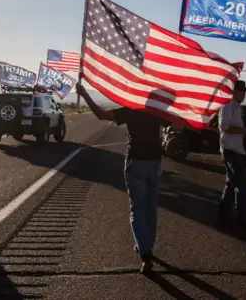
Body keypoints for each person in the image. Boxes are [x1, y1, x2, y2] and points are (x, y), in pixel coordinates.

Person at [75, 83, 181, 274]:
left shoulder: (131, 110)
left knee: (137, 209)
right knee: (150, 206)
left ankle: (145, 252)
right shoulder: (157, 113)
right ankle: (145, 245)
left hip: (136, 163)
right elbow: (179, 125)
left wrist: (84, 95)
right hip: (155, 163)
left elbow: (101, 114)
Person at [216, 80, 246, 230]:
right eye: (242, 91)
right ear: (234, 92)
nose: (244, 94)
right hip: (230, 150)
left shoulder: (237, 107)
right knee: (242, 185)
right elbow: (224, 127)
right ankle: (241, 220)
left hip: (235, 150)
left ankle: (223, 216)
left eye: (245, 92)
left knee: (231, 184)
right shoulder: (227, 105)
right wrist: (244, 131)